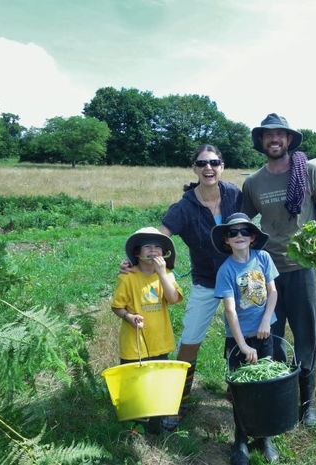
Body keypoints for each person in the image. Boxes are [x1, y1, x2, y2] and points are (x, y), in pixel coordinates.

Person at [120, 144, 242, 430]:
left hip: (238, 279)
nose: (208, 168)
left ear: (222, 166)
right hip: (206, 281)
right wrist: (134, 261)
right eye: (202, 164)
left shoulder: (235, 194)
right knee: (190, 341)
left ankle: (236, 390)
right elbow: (159, 238)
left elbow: (251, 224)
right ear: (194, 168)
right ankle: (179, 399)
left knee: (240, 334)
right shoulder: (184, 206)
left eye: (213, 162)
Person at [241, 113, 316, 427]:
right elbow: (242, 224)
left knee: (306, 336)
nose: (274, 140)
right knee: (271, 337)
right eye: (268, 136)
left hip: (301, 269)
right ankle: (281, 398)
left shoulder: (309, 171)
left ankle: (308, 403)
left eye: (279, 135)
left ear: (289, 139)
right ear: (261, 142)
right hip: (267, 273)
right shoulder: (254, 183)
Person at [211, 212, 279, 465]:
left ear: (252, 237)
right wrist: (242, 344)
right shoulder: (226, 270)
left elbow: (272, 293)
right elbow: (230, 310)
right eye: (232, 233)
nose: (238, 236)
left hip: (265, 335)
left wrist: (265, 321)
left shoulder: (263, 258)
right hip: (240, 340)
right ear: (227, 240)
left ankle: (264, 437)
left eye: (243, 232)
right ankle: (240, 440)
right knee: (241, 392)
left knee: (265, 386)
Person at [111, 227, 183, 434]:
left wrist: (161, 273)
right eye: (148, 247)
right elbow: (117, 306)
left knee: (158, 385)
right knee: (135, 386)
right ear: (137, 253)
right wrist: (129, 317)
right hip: (134, 344)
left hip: (160, 340)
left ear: (164, 253)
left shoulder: (167, 274)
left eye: (158, 247)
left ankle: (156, 426)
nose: (153, 251)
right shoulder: (128, 277)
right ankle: (134, 427)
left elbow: (172, 298)